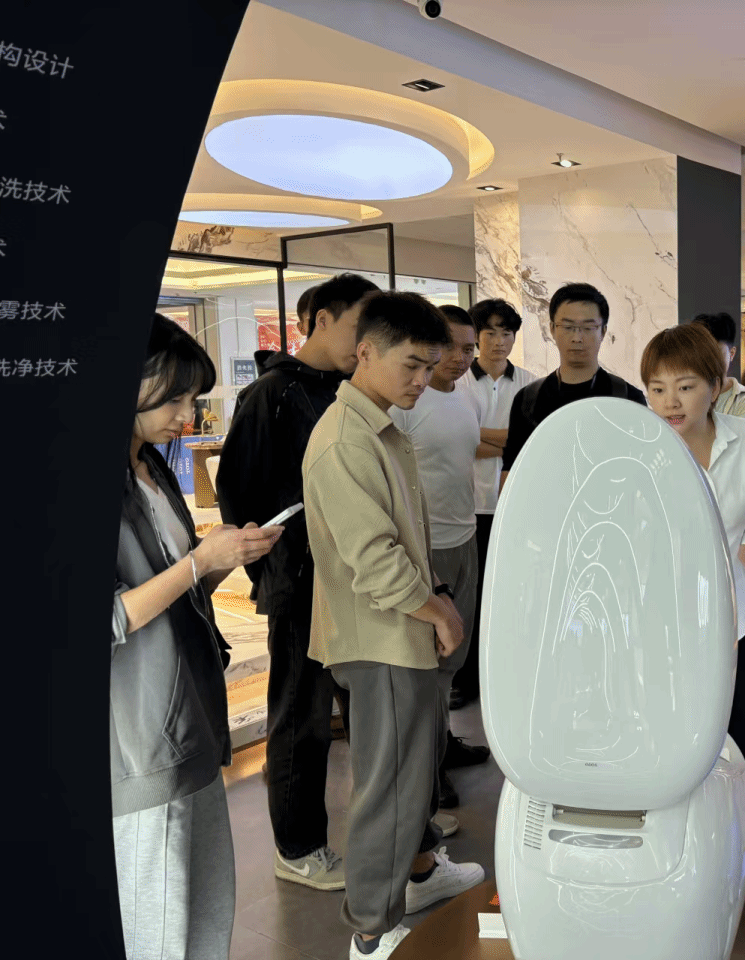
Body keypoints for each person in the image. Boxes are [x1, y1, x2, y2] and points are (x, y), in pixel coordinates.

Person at [303, 292, 484, 960]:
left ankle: (421, 874)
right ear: (365, 352)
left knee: (415, 768)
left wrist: (435, 600)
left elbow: (403, 536)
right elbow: (374, 557)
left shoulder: (380, 424)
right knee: (390, 785)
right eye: (412, 365)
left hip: (401, 630)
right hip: (379, 639)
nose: (422, 379)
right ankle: (371, 932)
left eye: (431, 366)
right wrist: (438, 607)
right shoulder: (343, 440)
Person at [113, 315, 284, 958]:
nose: (188, 416)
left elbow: (180, 592)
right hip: (141, 734)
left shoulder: (153, 467)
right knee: (157, 917)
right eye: (176, 398)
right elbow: (110, 619)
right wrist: (198, 562)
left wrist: (224, 560)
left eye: (193, 399)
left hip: (194, 714)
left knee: (206, 902)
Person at [217, 272, 378, 891]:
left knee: (366, 711)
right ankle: (298, 846)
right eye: (358, 327)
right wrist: (272, 570)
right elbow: (238, 492)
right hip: (302, 584)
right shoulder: (271, 394)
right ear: (322, 320)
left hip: (354, 577)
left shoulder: (348, 391)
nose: (365, 343)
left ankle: (399, 829)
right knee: (301, 718)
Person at [641, 323, 745, 873]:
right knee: (676, 737)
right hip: (668, 624)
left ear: (716, 385)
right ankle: (675, 846)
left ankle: (739, 840)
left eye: (684, 387)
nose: (670, 402)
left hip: (742, 614)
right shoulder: (640, 449)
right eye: (657, 389)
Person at [390, 304, 492, 812]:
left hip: (464, 538)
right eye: (449, 346)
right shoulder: (409, 401)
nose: (459, 356)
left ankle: (444, 745)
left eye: (469, 348)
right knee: (427, 664)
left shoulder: (466, 395)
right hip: (425, 548)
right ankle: (427, 772)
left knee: (452, 660)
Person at [451, 298, 535, 710]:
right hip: (470, 506)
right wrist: (511, 438)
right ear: (477, 336)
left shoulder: (532, 384)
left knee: (512, 593)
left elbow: (535, 439)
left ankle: (508, 673)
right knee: (471, 596)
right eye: (490, 332)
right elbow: (463, 442)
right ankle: (467, 678)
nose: (499, 341)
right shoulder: (458, 383)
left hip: (516, 505)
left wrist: (483, 434)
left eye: (507, 333)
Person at [501, 282, 646, 483]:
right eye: (568, 327)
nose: (577, 337)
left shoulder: (627, 397)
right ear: (552, 329)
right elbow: (512, 470)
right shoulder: (528, 399)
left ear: (603, 331)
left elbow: (641, 470)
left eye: (588, 327)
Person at [692, 312, 745, 426]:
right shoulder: (682, 395)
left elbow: (741, 436)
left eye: (716, 353)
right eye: (701, 353)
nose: (708, 360)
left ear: (731, 353)